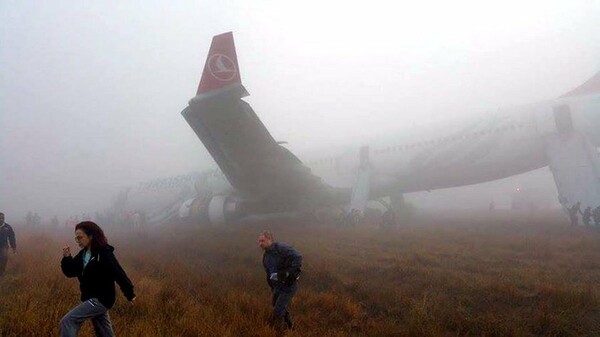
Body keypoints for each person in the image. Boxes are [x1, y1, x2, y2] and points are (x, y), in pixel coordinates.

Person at [60, 221, 136, 337]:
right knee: (104, 332)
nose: (78, 241)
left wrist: (129, 293)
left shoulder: (104, 253)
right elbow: (71, 272)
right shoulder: (83, 254)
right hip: (90, 298)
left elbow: (118, 273)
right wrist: (67, 258)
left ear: (90, 236)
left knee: (68, 321)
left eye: (80, 237)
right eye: (76, 238)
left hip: (101, 299)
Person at [258, 230, 302, 331]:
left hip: (288, 286)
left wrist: (290, 273)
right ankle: (291, 328)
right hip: (277, 287)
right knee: (278, 306)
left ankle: (279, 331)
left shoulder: (281, 248)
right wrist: (272, 288)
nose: (260, 244)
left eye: (262, 241)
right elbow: (269, 275)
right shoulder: (266, 256)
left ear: (269, 239)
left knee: (278, 311)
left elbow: (298, 257)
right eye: (259, 241)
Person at [0, 212, 17, 277]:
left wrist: (14, 247)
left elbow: (12, 237)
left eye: (2, 218)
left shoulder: (8, 227)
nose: (1, 219)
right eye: (0, 218)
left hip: (4, 247)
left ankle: (1, 273)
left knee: (4, 259)